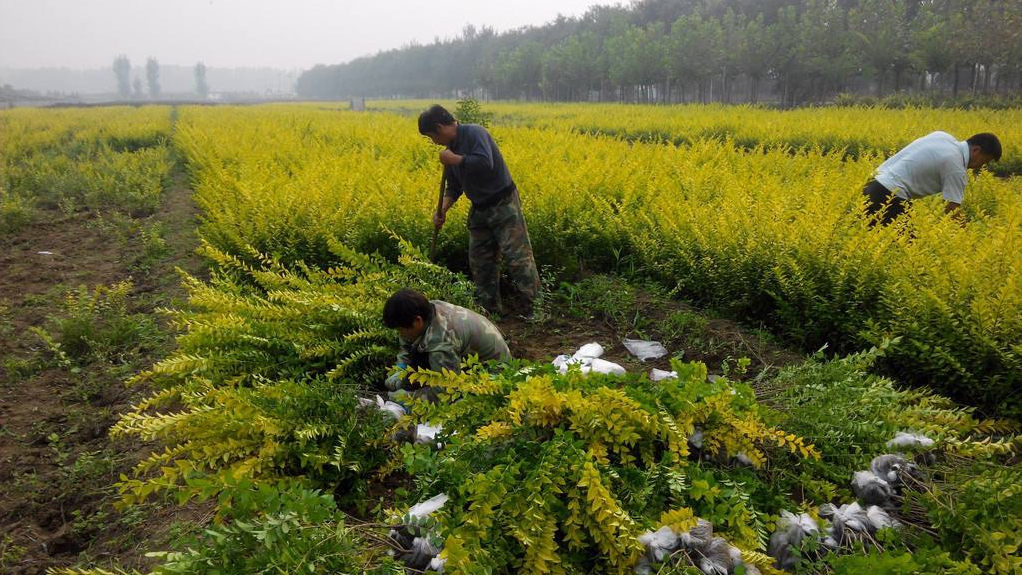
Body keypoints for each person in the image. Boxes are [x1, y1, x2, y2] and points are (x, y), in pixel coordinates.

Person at [418, 104, 541, 318]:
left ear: (440, 127)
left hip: (503, 204)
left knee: (518, 259)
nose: (434, 142)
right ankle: (490, 312)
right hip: (479, 209)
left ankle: (537, 310)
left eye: (431, 137)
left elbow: (485, 163)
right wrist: (442, 210)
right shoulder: (450, 149)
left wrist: (454, 159)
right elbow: (454, 186)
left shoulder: (475, 133)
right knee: (481, 262)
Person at [382, 288, 511, 397]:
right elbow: (407, 346)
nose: (401, 334)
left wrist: (407, 399)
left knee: (460, 402)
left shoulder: (442, 341)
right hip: (467, 359)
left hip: (494, 374)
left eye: (401, 329)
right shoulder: (427, 310)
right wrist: (400, 370)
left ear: (418, 321)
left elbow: (445, 391)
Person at [862, 131, 1001, 226]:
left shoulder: (942, 136)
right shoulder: (956, 167)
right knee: (909, 252)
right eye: (985, 160)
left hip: (871, 185)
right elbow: (952, 209)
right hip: (889, 196)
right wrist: (969, 244)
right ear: (976, 150)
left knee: (866, 238)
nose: (983, 166)